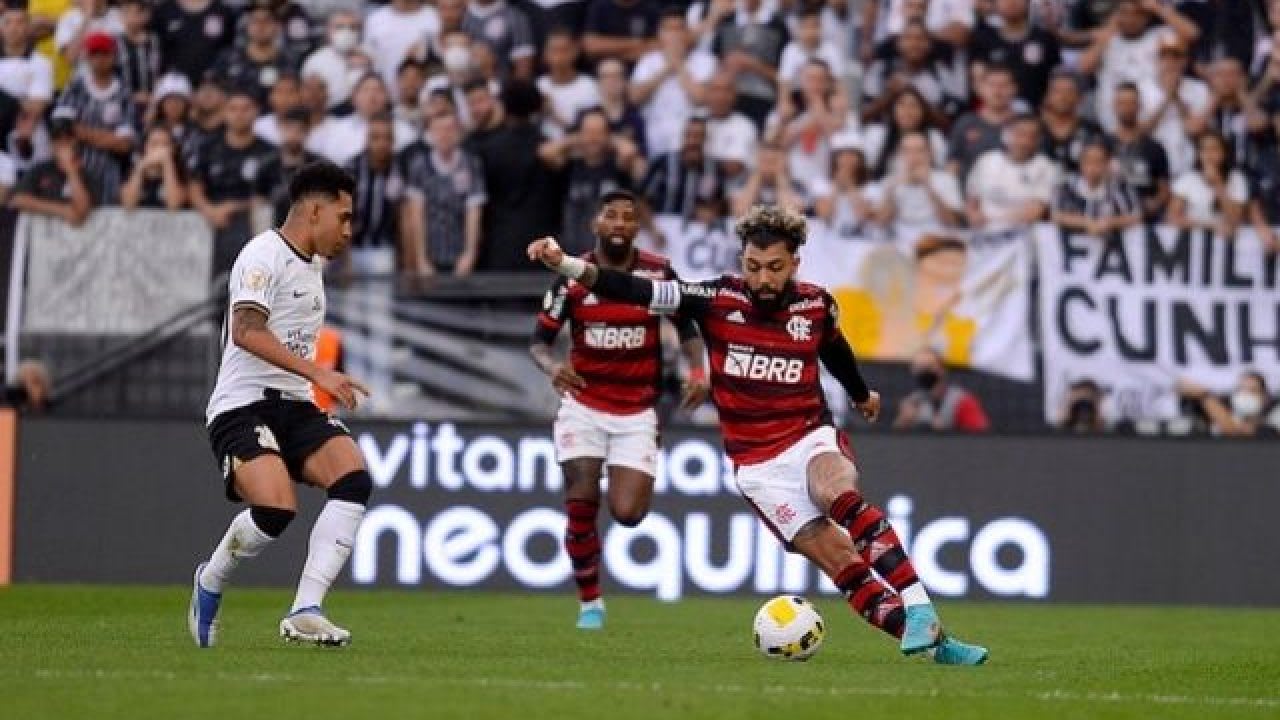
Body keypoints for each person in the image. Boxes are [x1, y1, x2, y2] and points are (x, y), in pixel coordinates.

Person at [527, 204, 988, 665]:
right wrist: (565, 264)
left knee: (835, 492)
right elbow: (630, 287)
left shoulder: (815, 305)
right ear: (740, 261)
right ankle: (940, 647)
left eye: (774, 268)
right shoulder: (714, 300)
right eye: (752, 267)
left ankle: (919, 603)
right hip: (758, 468)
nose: (763, 279)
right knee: (842, 564)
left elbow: (836, 350)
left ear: (795, 264)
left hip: (809, 437)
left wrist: (859, 392)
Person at [190, 160, 373, 649]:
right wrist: (319, 374)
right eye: (345, 217)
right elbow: (248, 331)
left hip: (292, 405)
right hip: (241, 406)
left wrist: (311, 382)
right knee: (276, 509)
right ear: (315, 211)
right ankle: (211, 578)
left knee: (354, 478)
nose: (349, 231)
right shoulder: (262, 255)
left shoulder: (312, 267)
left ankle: (306, 609)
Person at [530, 190, 708, 629]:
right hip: (584, 405)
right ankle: (590, 601)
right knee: (581, 499)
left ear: (637, 228)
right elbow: (539, 342)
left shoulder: (657, 273)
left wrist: (698, 371)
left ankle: (629, 473)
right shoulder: (571, 278)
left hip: (636, 410)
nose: (619, 224)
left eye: (629, 218)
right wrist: (552, 367)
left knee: (628, 514)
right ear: (596, 223)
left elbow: (687, 323)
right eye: (611, 215)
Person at [1051, 139, 1142, 238]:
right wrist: (1086, 223)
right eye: (1088, 161)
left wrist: (1108, 223)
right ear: (1080, 162)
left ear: (1107, 163)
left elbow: (1135, 216)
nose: (1092, 168)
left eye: (1098, 162)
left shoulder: (1120, 187)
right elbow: (1055, 215)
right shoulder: (1066, 186)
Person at [892, 347, 990, 432]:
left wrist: (945, 431)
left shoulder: (962, 401)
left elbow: (980, 436)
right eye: (919, 368)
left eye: (928, 367)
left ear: (941, 369)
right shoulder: (912, 401)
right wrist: (904, 420)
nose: (924, 372)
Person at [1176, 372, 1278, 438]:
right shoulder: (1226, 409)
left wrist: (1204, 396)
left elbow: (1234, 431)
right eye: (1241, 390)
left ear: (1265, 396)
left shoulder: (1273, 414)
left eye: (1253, 391)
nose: (1245, 396)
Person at [120, 125, 188, 210]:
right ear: (145, 147)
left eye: (165, 145)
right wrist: (141, 167)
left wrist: (167, 163)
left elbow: (175, 204)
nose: (159, 149)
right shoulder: (133, 170)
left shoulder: (180, 173)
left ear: (172, 148)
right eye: (154, 144)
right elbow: (128, 203)